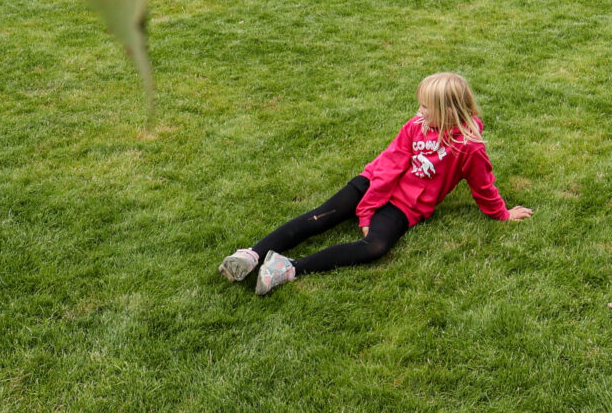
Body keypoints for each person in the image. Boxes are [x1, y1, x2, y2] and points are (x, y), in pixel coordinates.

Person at [220, 72, 529, 295]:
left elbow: (483, 185)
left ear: (449, 112)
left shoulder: (469, 148)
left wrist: (501, 213)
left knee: (375, 247)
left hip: (406, 207)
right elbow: (390, 167)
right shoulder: (415, 127)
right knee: (322, 215)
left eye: (425, 107)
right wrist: (366, 212)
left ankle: (287, 268)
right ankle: (252, 255)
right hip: (374, 181)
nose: (417, 113)